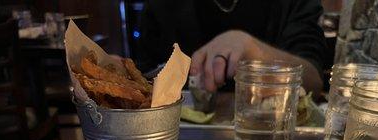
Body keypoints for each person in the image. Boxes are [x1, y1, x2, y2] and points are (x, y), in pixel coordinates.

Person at [136, 0, 328, 94]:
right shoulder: (160, 5)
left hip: (269, 139)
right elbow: (144, 76)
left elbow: (314, 79)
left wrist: (255, 51)